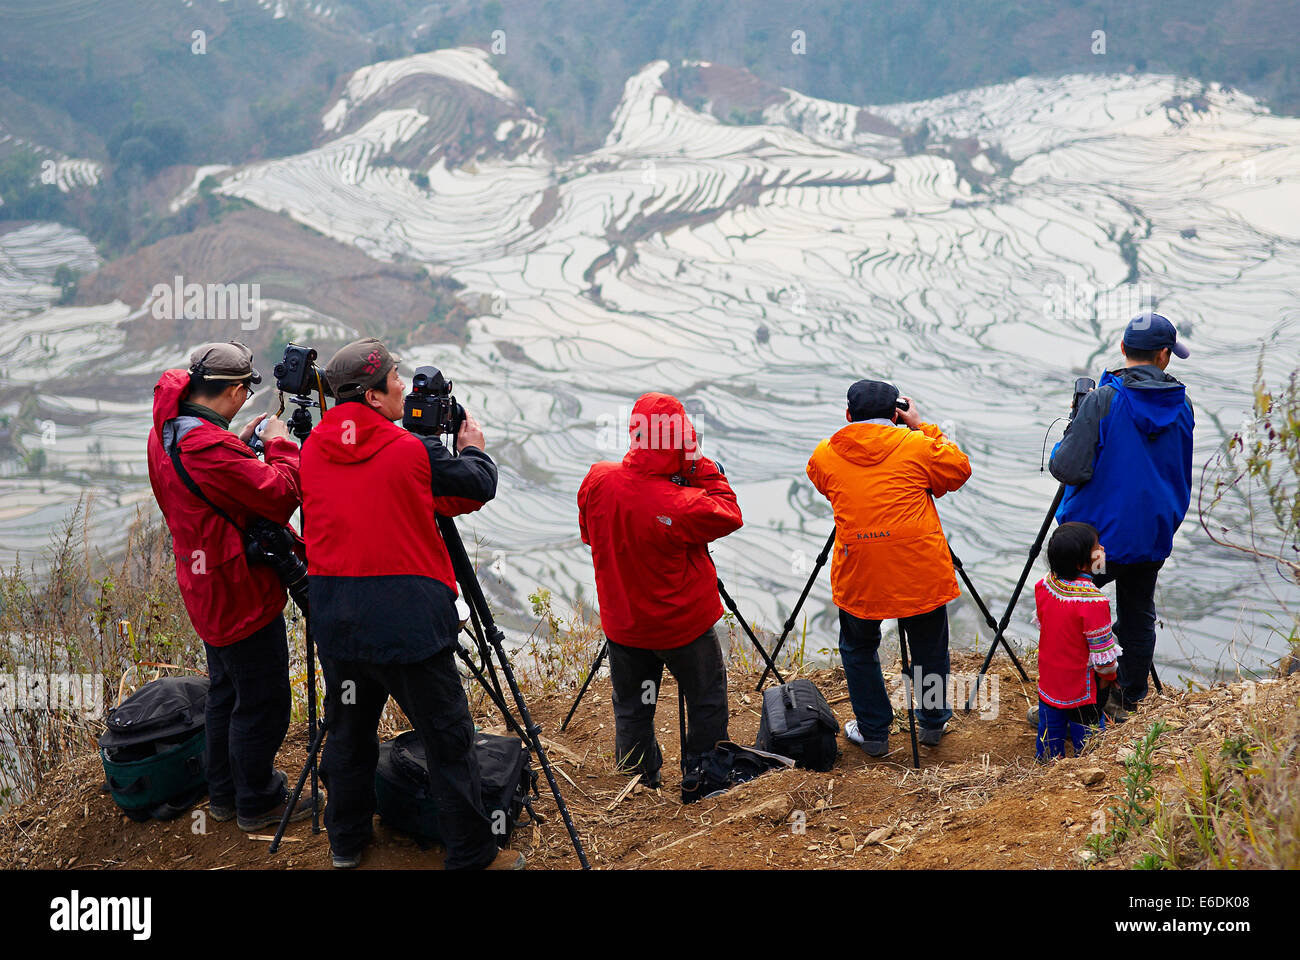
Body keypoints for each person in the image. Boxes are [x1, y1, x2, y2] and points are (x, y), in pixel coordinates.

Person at [299, 338, 520, 870]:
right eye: (394, 379)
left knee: (349, 733)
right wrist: (470, 446)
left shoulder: (311, 450)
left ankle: (345, 844)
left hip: (337, 618)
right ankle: (472, 853)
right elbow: (475, 486)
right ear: (374, 398)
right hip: (407, 623)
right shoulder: (411, 452)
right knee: (448, 739)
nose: (402, 385)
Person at [147, 340, 316, 831]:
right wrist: (281, 443)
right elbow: (282, 493)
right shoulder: (207, 447)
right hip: (237, 590)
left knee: (226, 689)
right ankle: (258, 802)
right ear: (237, 390)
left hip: (202, 584)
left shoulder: (167, 432)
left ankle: (224, 793)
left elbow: (207, 484)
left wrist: (240, 448)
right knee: (261, 700)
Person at [577, 392, 741, 795]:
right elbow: (730, 512)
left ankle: (636, 782)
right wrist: (698, 465)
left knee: (632, 707)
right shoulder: (685, 502)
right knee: (705, 701)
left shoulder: (597, 479)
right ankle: (703, 778)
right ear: (682, 438)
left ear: (635, 432)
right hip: (683, 626)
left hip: (625, 624)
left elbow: (589, 536)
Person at [807, 379, 972, 756]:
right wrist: (920, 426)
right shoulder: (916, 446)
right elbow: (958, 471)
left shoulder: (824, 454)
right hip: (919, 570)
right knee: (929, 648)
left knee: (859, 647)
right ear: (896, 414)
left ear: (849, 416)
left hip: (860, 570)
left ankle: (874, 732)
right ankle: (932, 724)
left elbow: (826, 484)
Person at [1050, 313, 1194, 722]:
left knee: (1077, 604)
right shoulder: (1183, 405)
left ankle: (1078, 700)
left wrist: (1073, 430)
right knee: (1137, 611)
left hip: (1097, 545)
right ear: (1164, 356)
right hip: (1151, 536)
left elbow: (1069, 469)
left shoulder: (1104, 400)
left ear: (1122, 349)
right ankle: (1128, 698)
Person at [1032, 522, 1115, 760]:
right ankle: (1089, 770)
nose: (1103, 550)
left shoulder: (1045, 585)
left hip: (1049, 683)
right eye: (1098, 548)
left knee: (1049, 735)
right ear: (1081, 562)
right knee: (1089, 743)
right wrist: (1110, 677)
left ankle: (1047, 768)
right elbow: (1104, 659)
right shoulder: (1094, 602)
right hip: (1082, 690)